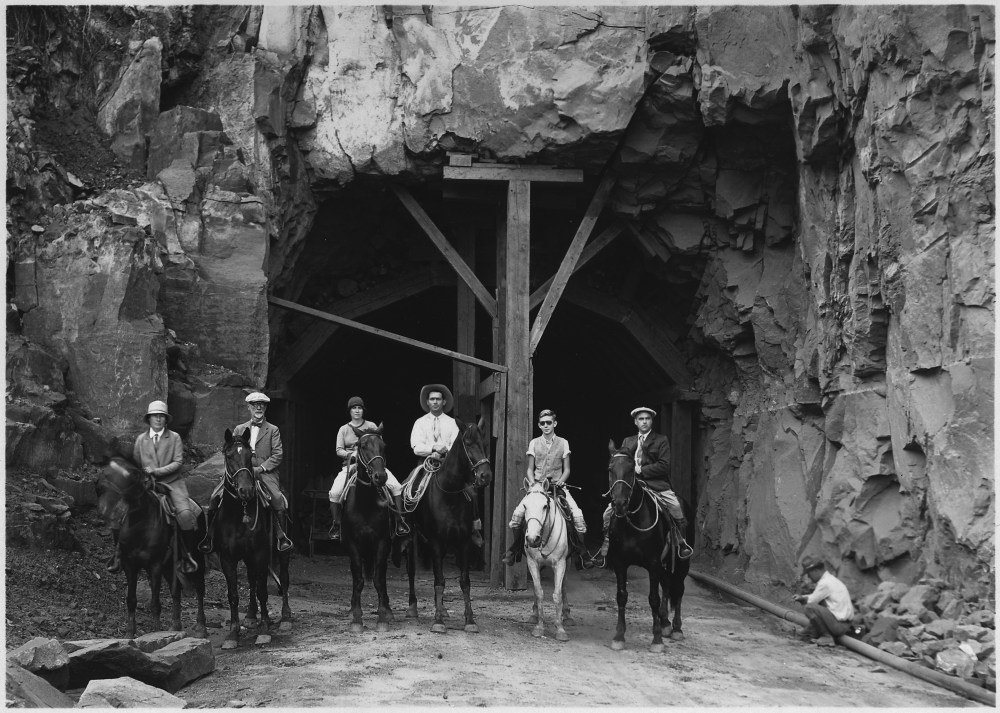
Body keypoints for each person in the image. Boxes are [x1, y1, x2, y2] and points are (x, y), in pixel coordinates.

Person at [591, 406, 692, 567]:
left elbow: (664, 465)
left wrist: (642, 470)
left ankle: (681, 543)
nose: (644, 422)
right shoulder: (628, 441)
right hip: (631, 484)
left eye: (647, 419)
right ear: (635, 422)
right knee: (607, 513)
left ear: (651, 421)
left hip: (655, 483)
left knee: (675, 506)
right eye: (641, 419)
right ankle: (606, 546)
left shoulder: (661, 440)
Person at [107, 400, 200, 574]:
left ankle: (187, 556)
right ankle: (118, 554)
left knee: (186, 514)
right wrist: (136, 474)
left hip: (172, 484)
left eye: (161, 416)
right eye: (154, 416)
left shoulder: (174, 438)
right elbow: (136, 464)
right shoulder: (141, 439)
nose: (158, 419)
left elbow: (178, 462)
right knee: (117, 513)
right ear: (149, 419)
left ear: (166, 420)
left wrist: (156, 471)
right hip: (146, 485)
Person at [199, 392, 293, 553]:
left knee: (277, 498)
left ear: (265, 408)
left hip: (264, 472)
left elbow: (278, 455)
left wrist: (261, 468)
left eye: (262, 405)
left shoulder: (273, 430)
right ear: (249, 407)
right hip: (241, 472)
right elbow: (233, 453)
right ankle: (210, 537)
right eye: (255, 404)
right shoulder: (239, 429)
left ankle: (281, 536)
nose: (259, 407)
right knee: (215, 497)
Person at [502, 409, 587, 568]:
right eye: (542, 423)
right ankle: (516, 550)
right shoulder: (534, 442)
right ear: (539, 425)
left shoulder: (563, 442)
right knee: (516, 518)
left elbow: (567, 469)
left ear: (554, 424)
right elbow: (529, 469)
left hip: (557, 487)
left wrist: (561, 481)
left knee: (578, 516)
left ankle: (581, 553)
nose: (546, 425)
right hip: (538, 488)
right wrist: (533, 484)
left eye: (549, 422)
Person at [409, 383, 483, 546]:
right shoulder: (419, 423)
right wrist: (433, 448)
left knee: (471, 490)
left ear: (444, 402)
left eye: (438, 399)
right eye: (432, 399)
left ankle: (474, 527)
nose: (435, 402)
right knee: (409, 488)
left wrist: (444, 451)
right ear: (427, 402)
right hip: (426, 464)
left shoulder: (452, 423)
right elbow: (416, 446)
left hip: (448, 465)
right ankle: (409, 527)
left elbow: (457, 446)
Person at [327, 396, 410, 540]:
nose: (357, 411)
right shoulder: (344, 429)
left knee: (396, 486)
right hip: (351, 465)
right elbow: (338, 450)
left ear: (363, 410)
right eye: (354, 408)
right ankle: (337, 525)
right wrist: (352, 455)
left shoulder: (371, 426)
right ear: (350, 411)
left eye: (359, 408)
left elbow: (379, 445)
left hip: (372, 465)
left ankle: (399, 521)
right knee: (335, 492)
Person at [793, 557, 855, 646]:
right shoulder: (831, 580)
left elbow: (812, 600)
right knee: (819, 605)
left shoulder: (825, 583)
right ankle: (810, 631)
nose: (809, 577)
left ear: (816, 571)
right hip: (844, 624)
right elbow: (817, 598)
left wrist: (801, 598)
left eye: (809, 574)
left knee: (810, 608)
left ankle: (826, 637)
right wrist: (802, 597)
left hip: (838, 626)